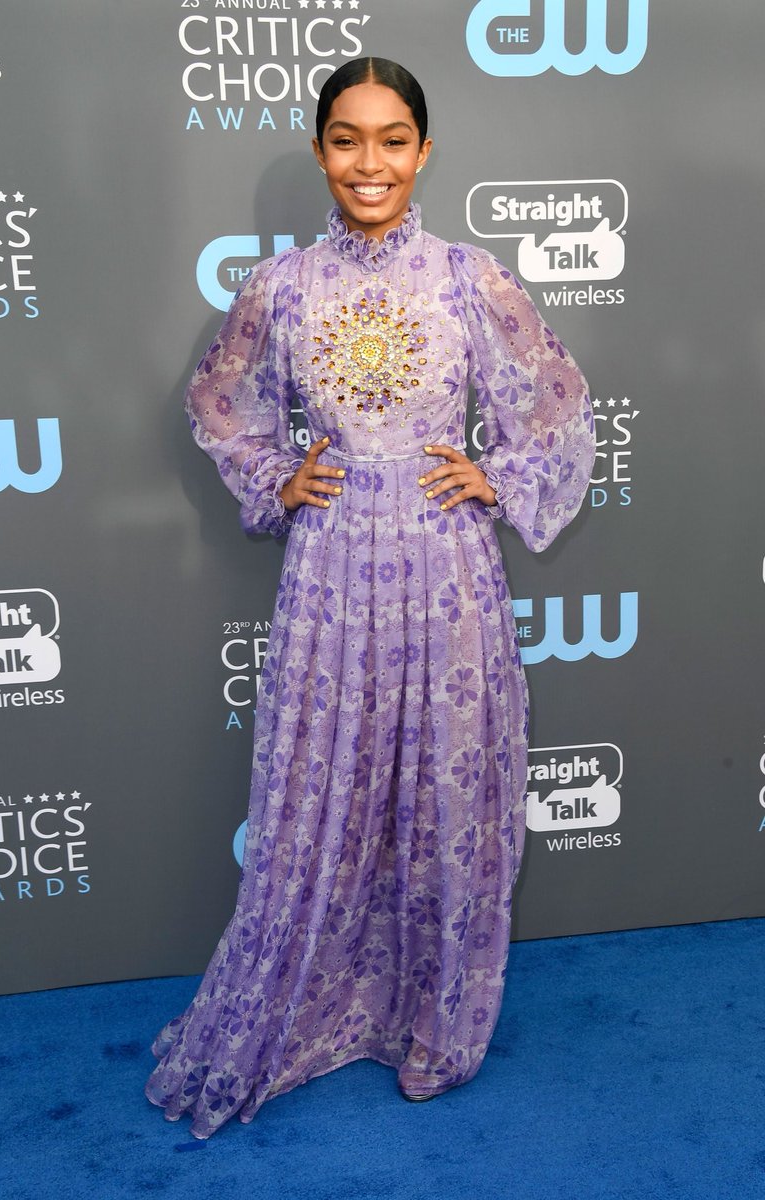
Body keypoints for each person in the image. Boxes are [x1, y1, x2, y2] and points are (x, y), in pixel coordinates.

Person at [145, 56, 595, 1140]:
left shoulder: (467, 278)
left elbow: (559, 402)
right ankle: (319, 1003)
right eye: (346, 139)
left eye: (392, 139)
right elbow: (217, 402)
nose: (369, 162)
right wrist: (272, 474)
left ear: (424, 151)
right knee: (323, 797)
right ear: (318, 151)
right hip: (332, 574)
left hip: (447, 571)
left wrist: (503, 475)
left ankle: (433, 1025)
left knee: (445, 803)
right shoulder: (283, 287)